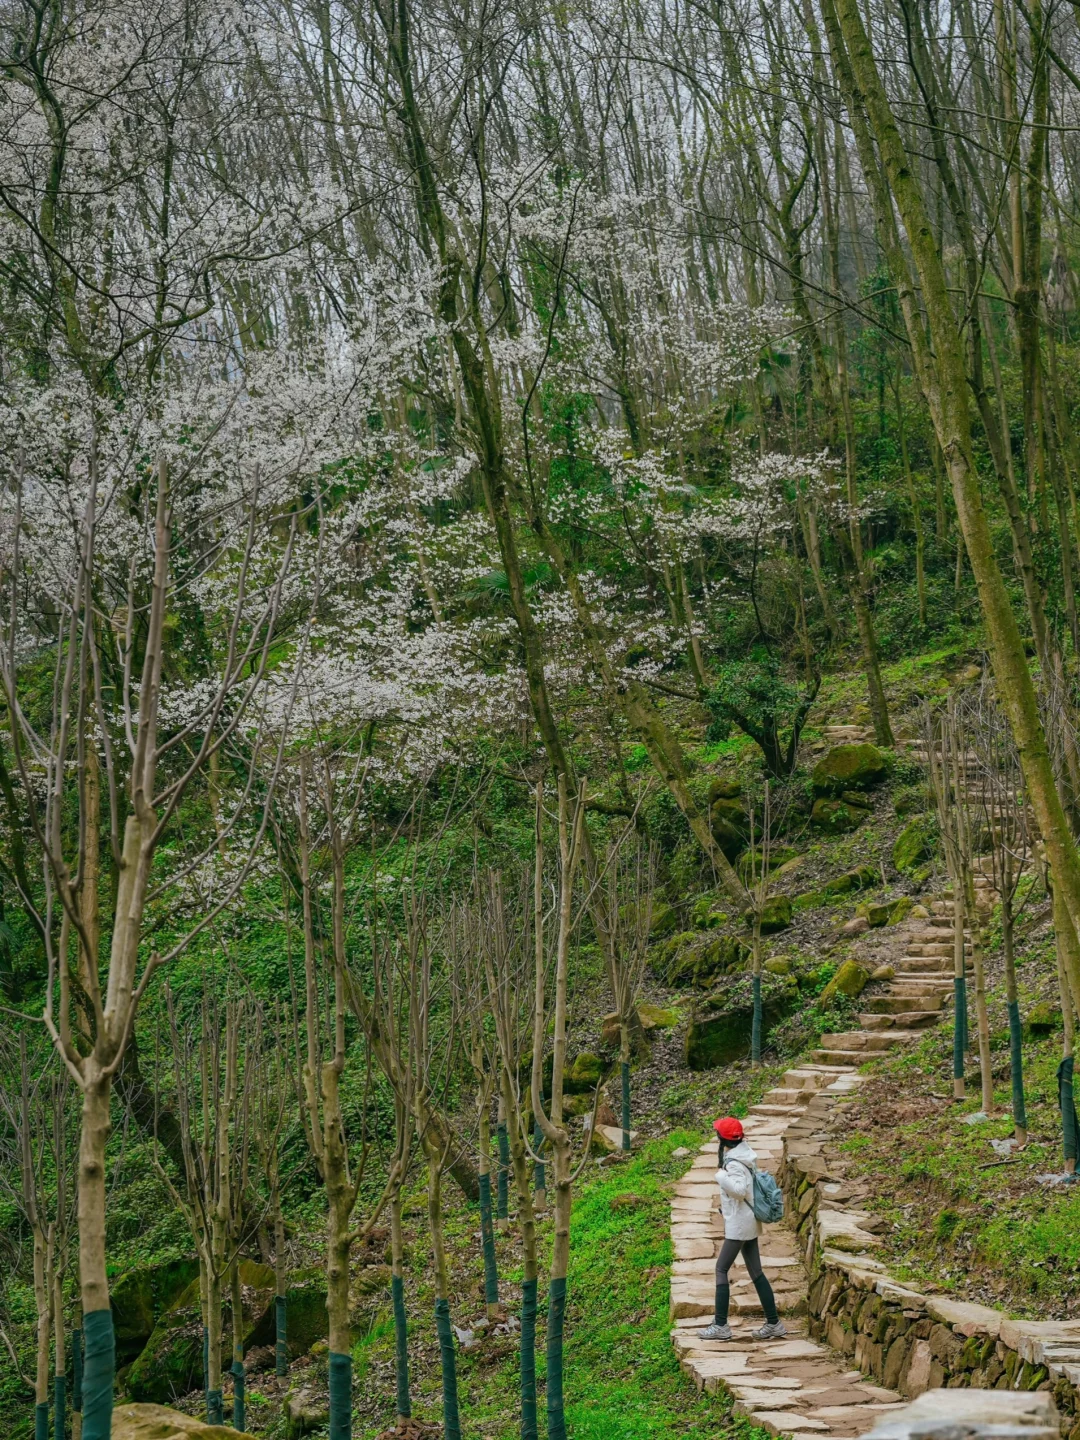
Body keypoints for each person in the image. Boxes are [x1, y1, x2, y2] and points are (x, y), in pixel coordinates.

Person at [698, 1116, 786, 1341]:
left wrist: (720, 1176)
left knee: (721, 1269)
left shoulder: (734, 1163)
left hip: (739, 1225)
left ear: (722, 1139)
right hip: (748, 1221)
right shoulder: (744, 1155)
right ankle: (774, 1323)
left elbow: (739, 1190)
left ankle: (720, 1325)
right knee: (756, 1272)